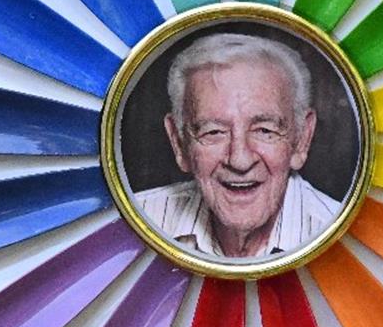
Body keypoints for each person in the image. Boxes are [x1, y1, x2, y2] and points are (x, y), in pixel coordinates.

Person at [134, 32, 341, 258]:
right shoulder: (130, 226)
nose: (239, 160)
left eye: (265, 130)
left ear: (302, 138)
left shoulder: (346, 240)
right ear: (178, 142)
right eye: (213, 132)